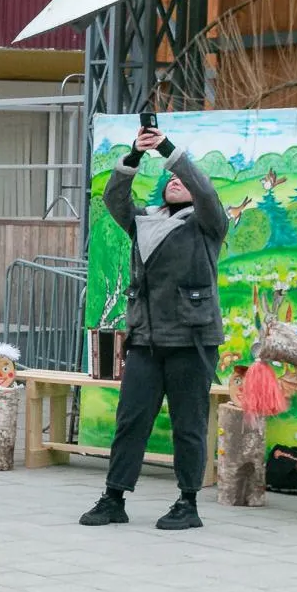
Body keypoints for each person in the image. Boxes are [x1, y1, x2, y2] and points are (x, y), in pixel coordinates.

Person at [82, 124, 228, 531]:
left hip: (192, 339)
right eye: (171, 178)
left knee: (188, 423)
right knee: (131, 419)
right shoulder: (144, 221)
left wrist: (166, 148)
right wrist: (133, 155)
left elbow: (206, 192)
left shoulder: (208, 224)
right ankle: (114, 498)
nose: (177, 181)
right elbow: (114, 197)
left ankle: (188, 502)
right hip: (145, 339)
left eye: (183, 178)